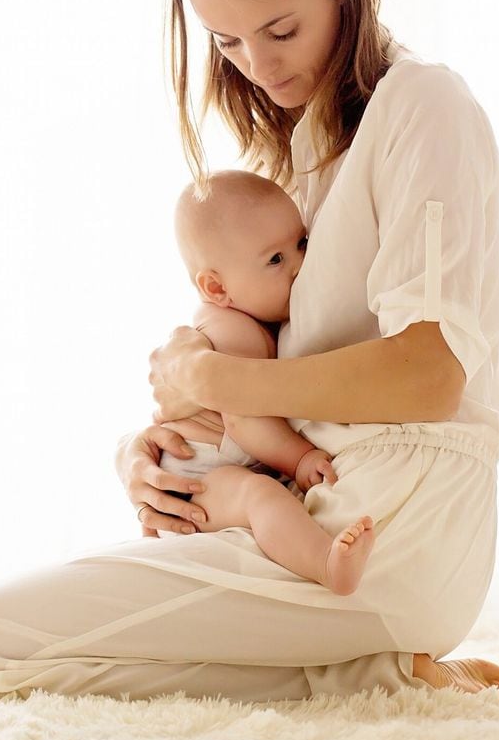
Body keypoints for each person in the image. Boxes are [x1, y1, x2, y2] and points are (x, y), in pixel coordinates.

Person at [0, 0, 499, 701]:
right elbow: (273, 390)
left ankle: (374, 649)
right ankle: (382, 673)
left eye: (279, 29)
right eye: (228, 42)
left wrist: (222, 377)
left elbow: (431, 373)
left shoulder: (423, 103)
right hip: (309, 515)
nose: (258, 67)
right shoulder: (301, 165)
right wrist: (155, 456)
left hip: (393, 520)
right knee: (73, 675)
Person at [157, 168, 375, 596]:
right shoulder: (231, 332)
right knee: (261, 497)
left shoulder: (251, 318)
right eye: (276, 260)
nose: (299, 266)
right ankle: (328, 567)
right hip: (197, 477)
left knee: (265, 495)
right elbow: (243, 418)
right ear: (217, 287)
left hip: (219, 467)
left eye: (302, 244)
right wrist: (299, 458)